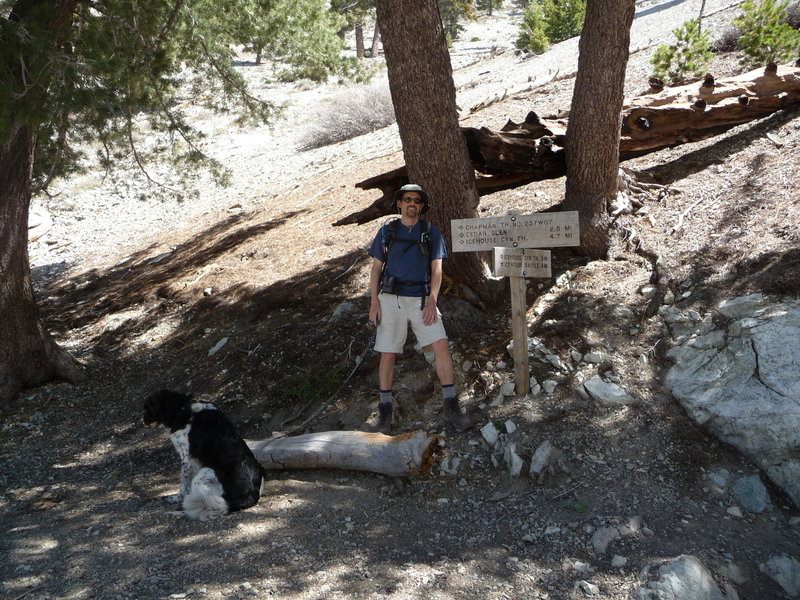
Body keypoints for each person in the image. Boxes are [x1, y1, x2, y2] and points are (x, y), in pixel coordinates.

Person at [361, 183, 473, 435]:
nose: (412, 204)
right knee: (387, 353)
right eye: (407, 199)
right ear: (399, 203)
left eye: (417, 201)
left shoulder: (431, 233)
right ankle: (385, 412)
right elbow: (376, 268)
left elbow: (437, 269)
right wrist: (374, 302)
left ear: (422, 206)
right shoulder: (386, 231)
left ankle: (451, 404)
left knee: (441, 344)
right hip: (390, 299)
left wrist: (433, 300)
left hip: (422, 299)